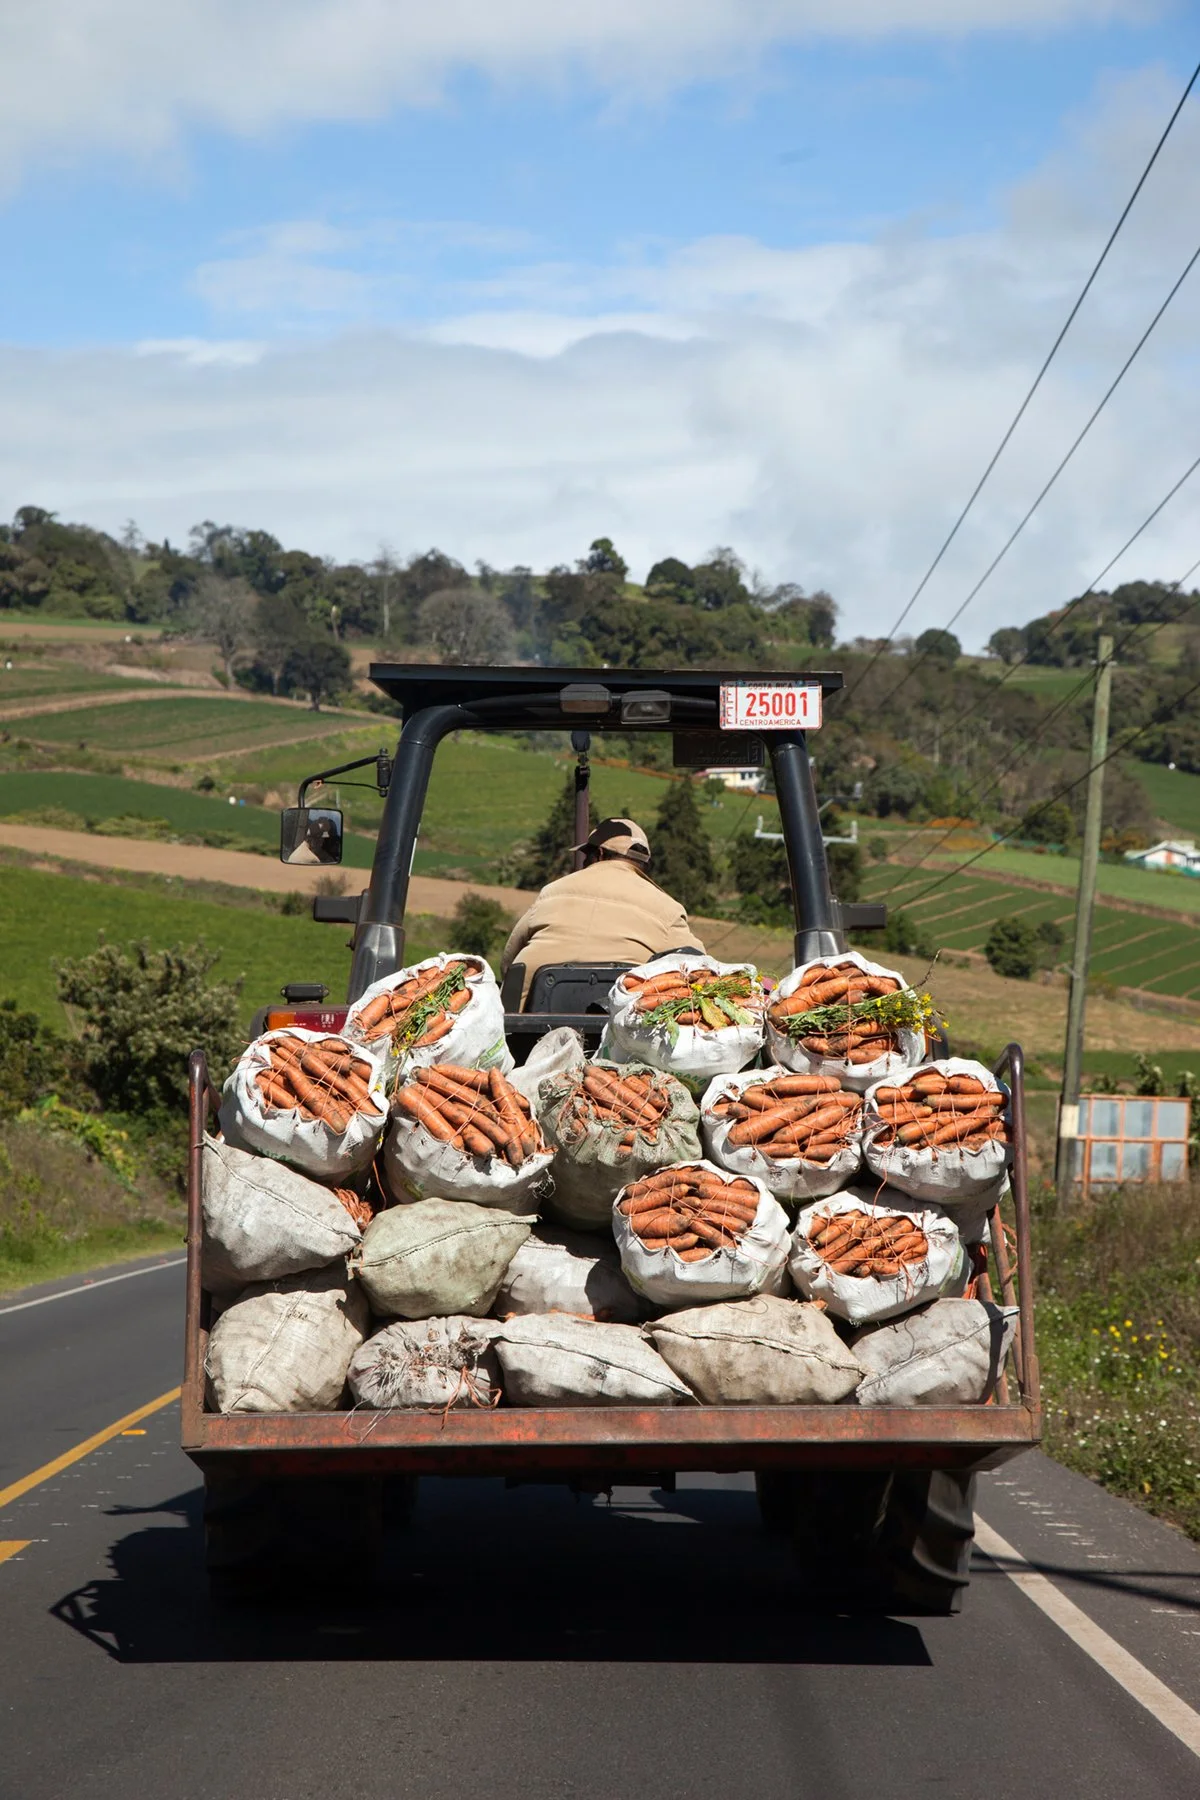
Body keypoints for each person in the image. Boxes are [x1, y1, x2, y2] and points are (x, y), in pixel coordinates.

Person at [500, 816, 705, 1006]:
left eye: (586, 856)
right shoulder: (667, 908)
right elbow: (702, 970)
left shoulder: (551, 892)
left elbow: (509, 962)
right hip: (626, 1030)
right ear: (644, 864)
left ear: (598, 854)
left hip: (532, 1024)